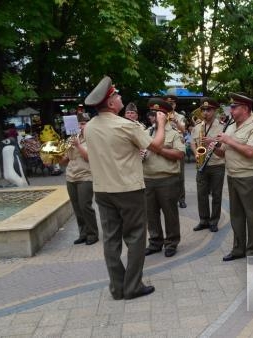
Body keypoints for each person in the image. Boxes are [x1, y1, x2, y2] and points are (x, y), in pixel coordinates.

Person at [84, 76, 167, 300]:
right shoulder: (125, 125)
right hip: (128, 190)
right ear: (111, 103)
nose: (120, 97)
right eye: (116, 95)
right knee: (136, 237)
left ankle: (117, 287)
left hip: (102, 190)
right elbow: (156, 146)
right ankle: (132, 287)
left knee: (111, 240)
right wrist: (161, 124)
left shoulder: (89, 127)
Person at [211, 92, 253, 261]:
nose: (230, 110)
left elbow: (250, 151)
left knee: (251, 215)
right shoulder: (231, 126)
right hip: (232, 175)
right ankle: (238, 249)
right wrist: (214, 147)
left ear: (245, 109)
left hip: (249, 176)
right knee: (236, 215)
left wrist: (228, 140)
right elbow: (223, 154)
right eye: (231, 107)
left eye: (234, 107)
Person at [142, 98, 185, 258]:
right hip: (148, 179)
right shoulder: (146, 133)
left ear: (166, 116)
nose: (154, 116)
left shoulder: (174, 133)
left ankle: (171, 242)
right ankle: (155, 242)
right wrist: (140, 155)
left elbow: (180, 154)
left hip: (167, 180)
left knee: (170, 214)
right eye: (153, 113)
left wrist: (158, 149)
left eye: (159, 113)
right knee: (151, 215)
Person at [59, 112, 98, 245]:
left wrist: (78, 145)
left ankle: (93, 234)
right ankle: (83, 233)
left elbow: (89, 157)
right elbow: (66, 159)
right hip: (71, 175)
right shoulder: (70, 138)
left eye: (83, 123)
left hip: (86, 175)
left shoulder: (92, 138)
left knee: (85, 205)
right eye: (79, 124)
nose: (81, 126)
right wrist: (53, 158)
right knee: (76, 207)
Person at [192, 98, 226, 233]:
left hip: (217, 164)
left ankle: (214, 221)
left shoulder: (222, 127)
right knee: (201, 194)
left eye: (209, 110)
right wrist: (196, 154)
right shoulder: (197, 127)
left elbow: (223, 150)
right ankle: (203, 220)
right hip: (201, 165)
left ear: (215, 111)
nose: (205, 113)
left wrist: (213, 142)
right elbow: (193, 143)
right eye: (203, 110)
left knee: (216, 195)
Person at [164, 95, 188, 208]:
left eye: (172, 103)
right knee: (166, 173)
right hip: (165, 146)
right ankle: (168, 198)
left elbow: (184, 131)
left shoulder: (180, 116)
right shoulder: (161, 115)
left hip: (178, 146)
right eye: (168, 103)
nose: (170, 105)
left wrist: (176, 121)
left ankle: (181, 199)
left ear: (175, 105)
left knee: (180, 175)